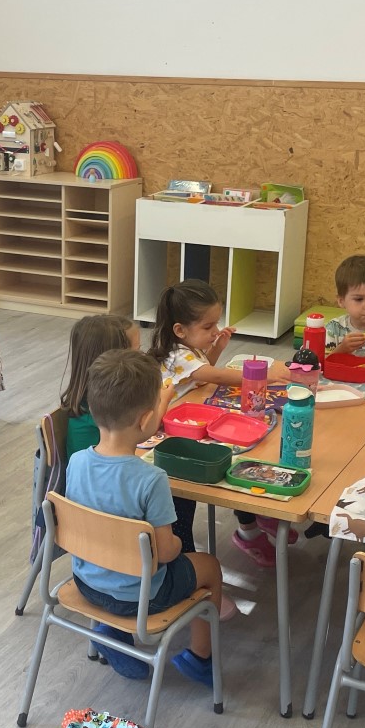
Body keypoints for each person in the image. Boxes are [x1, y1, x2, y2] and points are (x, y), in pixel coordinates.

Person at [66, 348, 224, 685]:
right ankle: (200, 658)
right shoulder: (151, 479)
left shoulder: (77, 461)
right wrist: (178, 542)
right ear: (145, 421)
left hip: (85, 582)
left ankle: (109, 629)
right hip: (139, 596)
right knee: (210, 566)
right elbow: (165, 553)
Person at [147, 279, 291, 568]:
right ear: (180, 330)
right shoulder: (177, 353)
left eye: (216, 324)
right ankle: (250, 521)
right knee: (238, 453)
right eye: (208, 326)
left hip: (191, 419)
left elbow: (202, 371)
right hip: (172, 432)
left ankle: (257, 515)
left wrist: (218, 347)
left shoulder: (186, 348)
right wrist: (260, 376)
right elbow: (214, 376)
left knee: (251, 439)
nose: (215, 331)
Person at [60, 313, 169, 459]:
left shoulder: (98, 397)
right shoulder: (102, 407)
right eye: (136, 351)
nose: (142, 357)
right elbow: (142, 430)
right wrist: (162, 400)